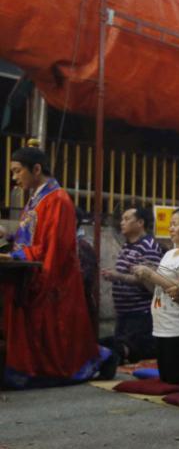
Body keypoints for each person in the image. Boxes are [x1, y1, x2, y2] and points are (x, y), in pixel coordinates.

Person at [1, 145, 110, 388]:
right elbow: (28, 237)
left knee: (55, 338)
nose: (14, 178)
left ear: (36, 169)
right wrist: (9, 239)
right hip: (31, 269)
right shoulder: (36, 199)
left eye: (18, 172)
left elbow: (56, 248)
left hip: (52, 276)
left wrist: (20, 257)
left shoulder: (58, 199)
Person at [133, 207, 179, 386]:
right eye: (170, 225)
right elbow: (159, 286)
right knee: (165, 379)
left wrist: (150, 274)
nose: (170, 229)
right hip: (161, 324)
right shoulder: (169, 253)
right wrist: (145, 278)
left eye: (175, 224)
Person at [101, 203, 163, 363]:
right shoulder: (128, 245)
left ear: (140, 223)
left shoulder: (148, 246)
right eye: (122, 219)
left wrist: (118, 276)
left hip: (140, 314)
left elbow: (150, 281)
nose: (122, 222)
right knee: (119, 350)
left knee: (132, 353)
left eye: (127, 219)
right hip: (124, 313)